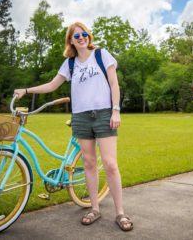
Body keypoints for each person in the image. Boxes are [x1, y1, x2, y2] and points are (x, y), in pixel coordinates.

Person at [14, 21, 133, 231]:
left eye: (84, 34)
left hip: (104, 113)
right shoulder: (70, 63)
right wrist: (26, 90)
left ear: (89, 36)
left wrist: (116, 110)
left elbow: (114, 84)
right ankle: (94, 208)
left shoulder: (101, 54)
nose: (81, 38)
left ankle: (120, 212)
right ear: (71, 40)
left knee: (110, 164)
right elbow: (52, 85)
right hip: (80, 116)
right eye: (76, 36)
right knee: (88, 163)